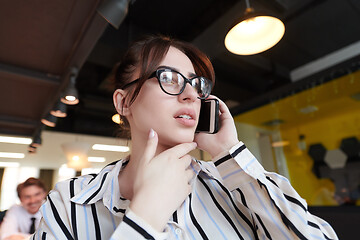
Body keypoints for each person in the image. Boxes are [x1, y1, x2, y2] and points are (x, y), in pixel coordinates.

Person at [32, 35, 338, 239]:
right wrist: (145, 216)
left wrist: (230, 152)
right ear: (124, 102)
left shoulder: (230, 186)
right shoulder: (68, 204)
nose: (191, 94)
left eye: (196, 84)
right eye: (169, 78)